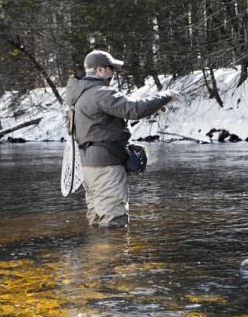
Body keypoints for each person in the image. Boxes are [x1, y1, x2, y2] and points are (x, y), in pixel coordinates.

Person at [64, 50, 178, 228]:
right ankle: (114, 248)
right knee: (113, 221)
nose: (114, 72)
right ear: (100, 70)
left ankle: (97, 247)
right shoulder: (100, 93)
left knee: (96, 219)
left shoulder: (78, 95)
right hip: (106, 167)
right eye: (112, 68)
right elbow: (134, 109)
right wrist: (166, 96)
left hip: (87, 168)